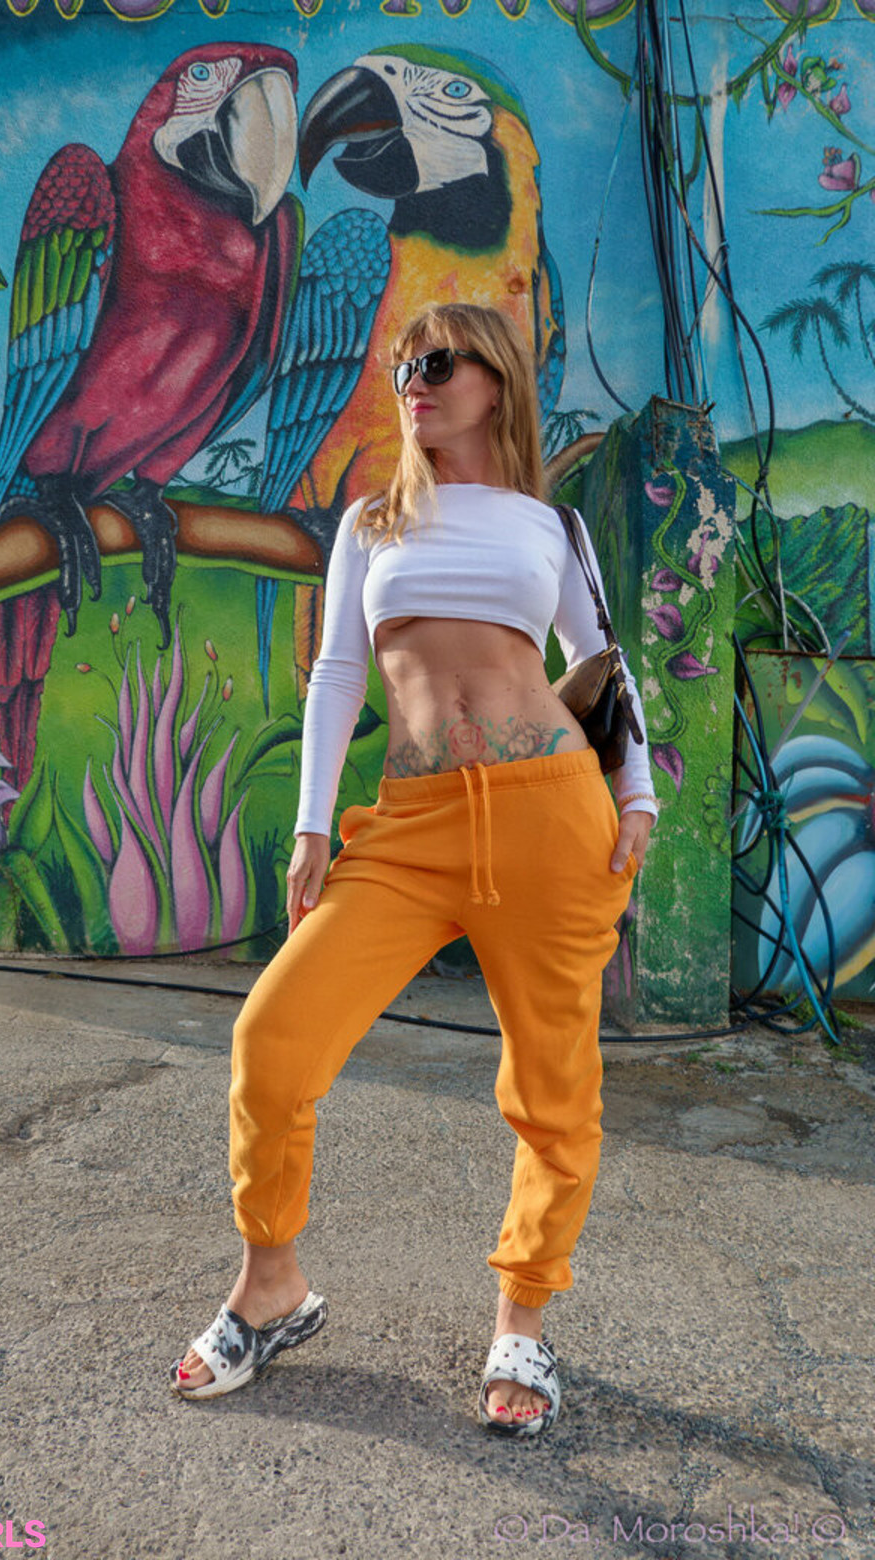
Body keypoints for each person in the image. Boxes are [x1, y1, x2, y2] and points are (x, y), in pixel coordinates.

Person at [169, 302, 658, 1437]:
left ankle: (523, 1318)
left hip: (550, 816)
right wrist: (311, 825)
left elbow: (598, 658)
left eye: (437, 362)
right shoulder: (371, 523)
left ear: (497, 382)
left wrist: (636, 795)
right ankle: (271, 1286)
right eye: (403, 365)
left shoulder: (552, 527)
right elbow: (339, 674)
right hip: (410, 826)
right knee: (273, 1039)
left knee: (554, 1088)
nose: (413, 382)